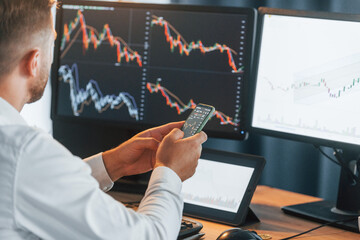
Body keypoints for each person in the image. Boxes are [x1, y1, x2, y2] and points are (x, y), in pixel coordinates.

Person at [0, 0, 208, 239]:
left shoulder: (19, 156)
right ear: (33, 62)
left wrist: (113, 164)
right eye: (53, 43)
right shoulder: (23, 152)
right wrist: (170, 172)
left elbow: (35, 186)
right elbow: (151, 236)